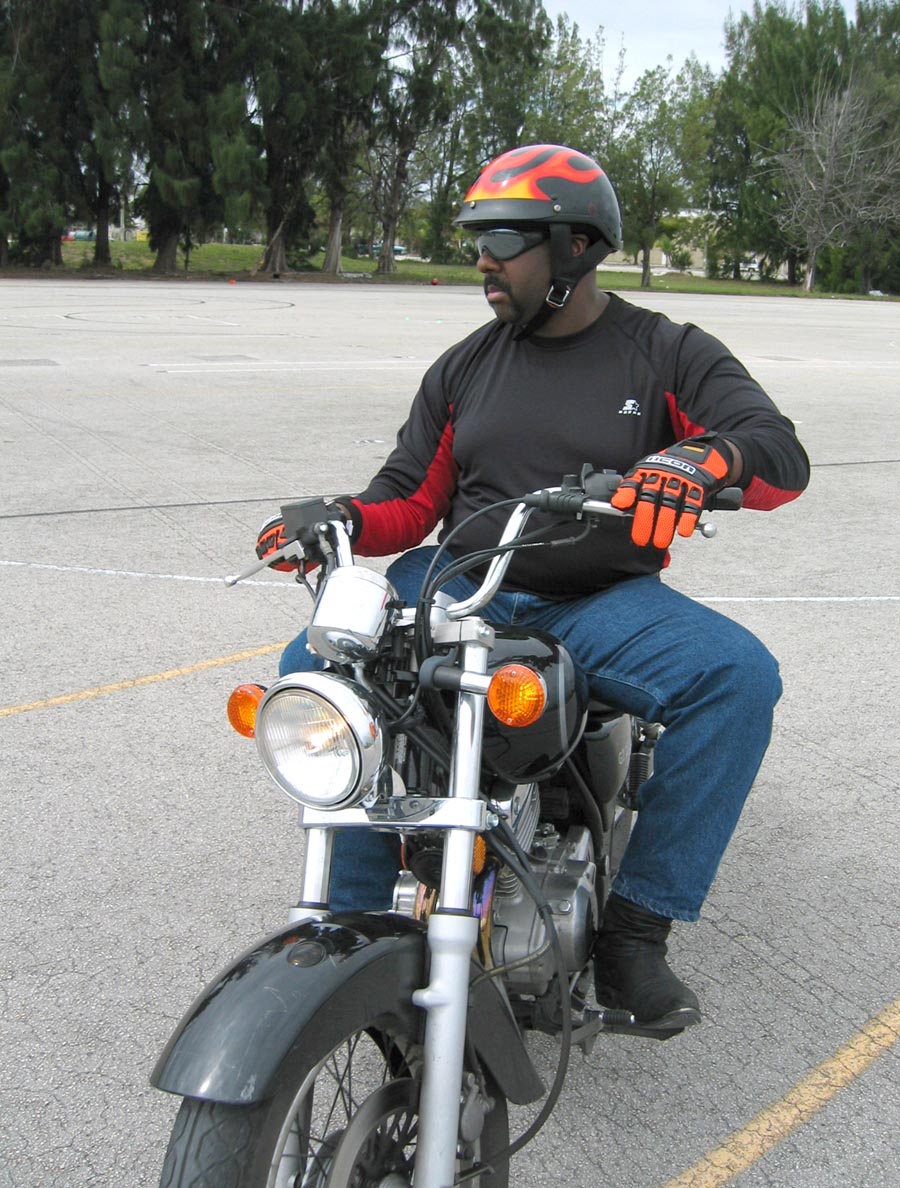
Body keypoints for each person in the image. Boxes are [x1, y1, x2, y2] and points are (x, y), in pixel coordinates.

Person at [262, 144, 810, 1031]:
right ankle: (354, 924)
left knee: (737, 678)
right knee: (319, 665)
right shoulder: (465, 366)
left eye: (505, 241)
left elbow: (778, 454)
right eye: (477, 240)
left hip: (601, 599)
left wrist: (707, 459)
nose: (484, 260)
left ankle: (637, 931)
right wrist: (339, 520)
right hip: (459, 582)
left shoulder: (666, 352)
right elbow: (409, 499)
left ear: (576, 247)